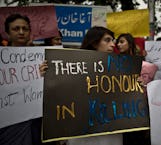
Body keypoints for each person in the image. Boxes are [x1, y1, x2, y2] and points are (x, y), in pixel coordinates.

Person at [40, 26, 122, 145]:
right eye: (107, 40)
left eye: (113, 40)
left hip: (110, 132)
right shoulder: (73, 66)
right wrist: (46, 75)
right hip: (82, 133)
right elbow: (60, 95)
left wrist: (136, 84)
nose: (113, 44)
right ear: (94, 43)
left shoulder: (120, 67)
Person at [0, 13, 39, 145]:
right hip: (8, 125)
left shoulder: (41, 57)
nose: (21, 32)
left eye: (25, 29)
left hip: (36, 123)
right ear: (7, 33)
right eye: (16, 29)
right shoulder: (1, 60)